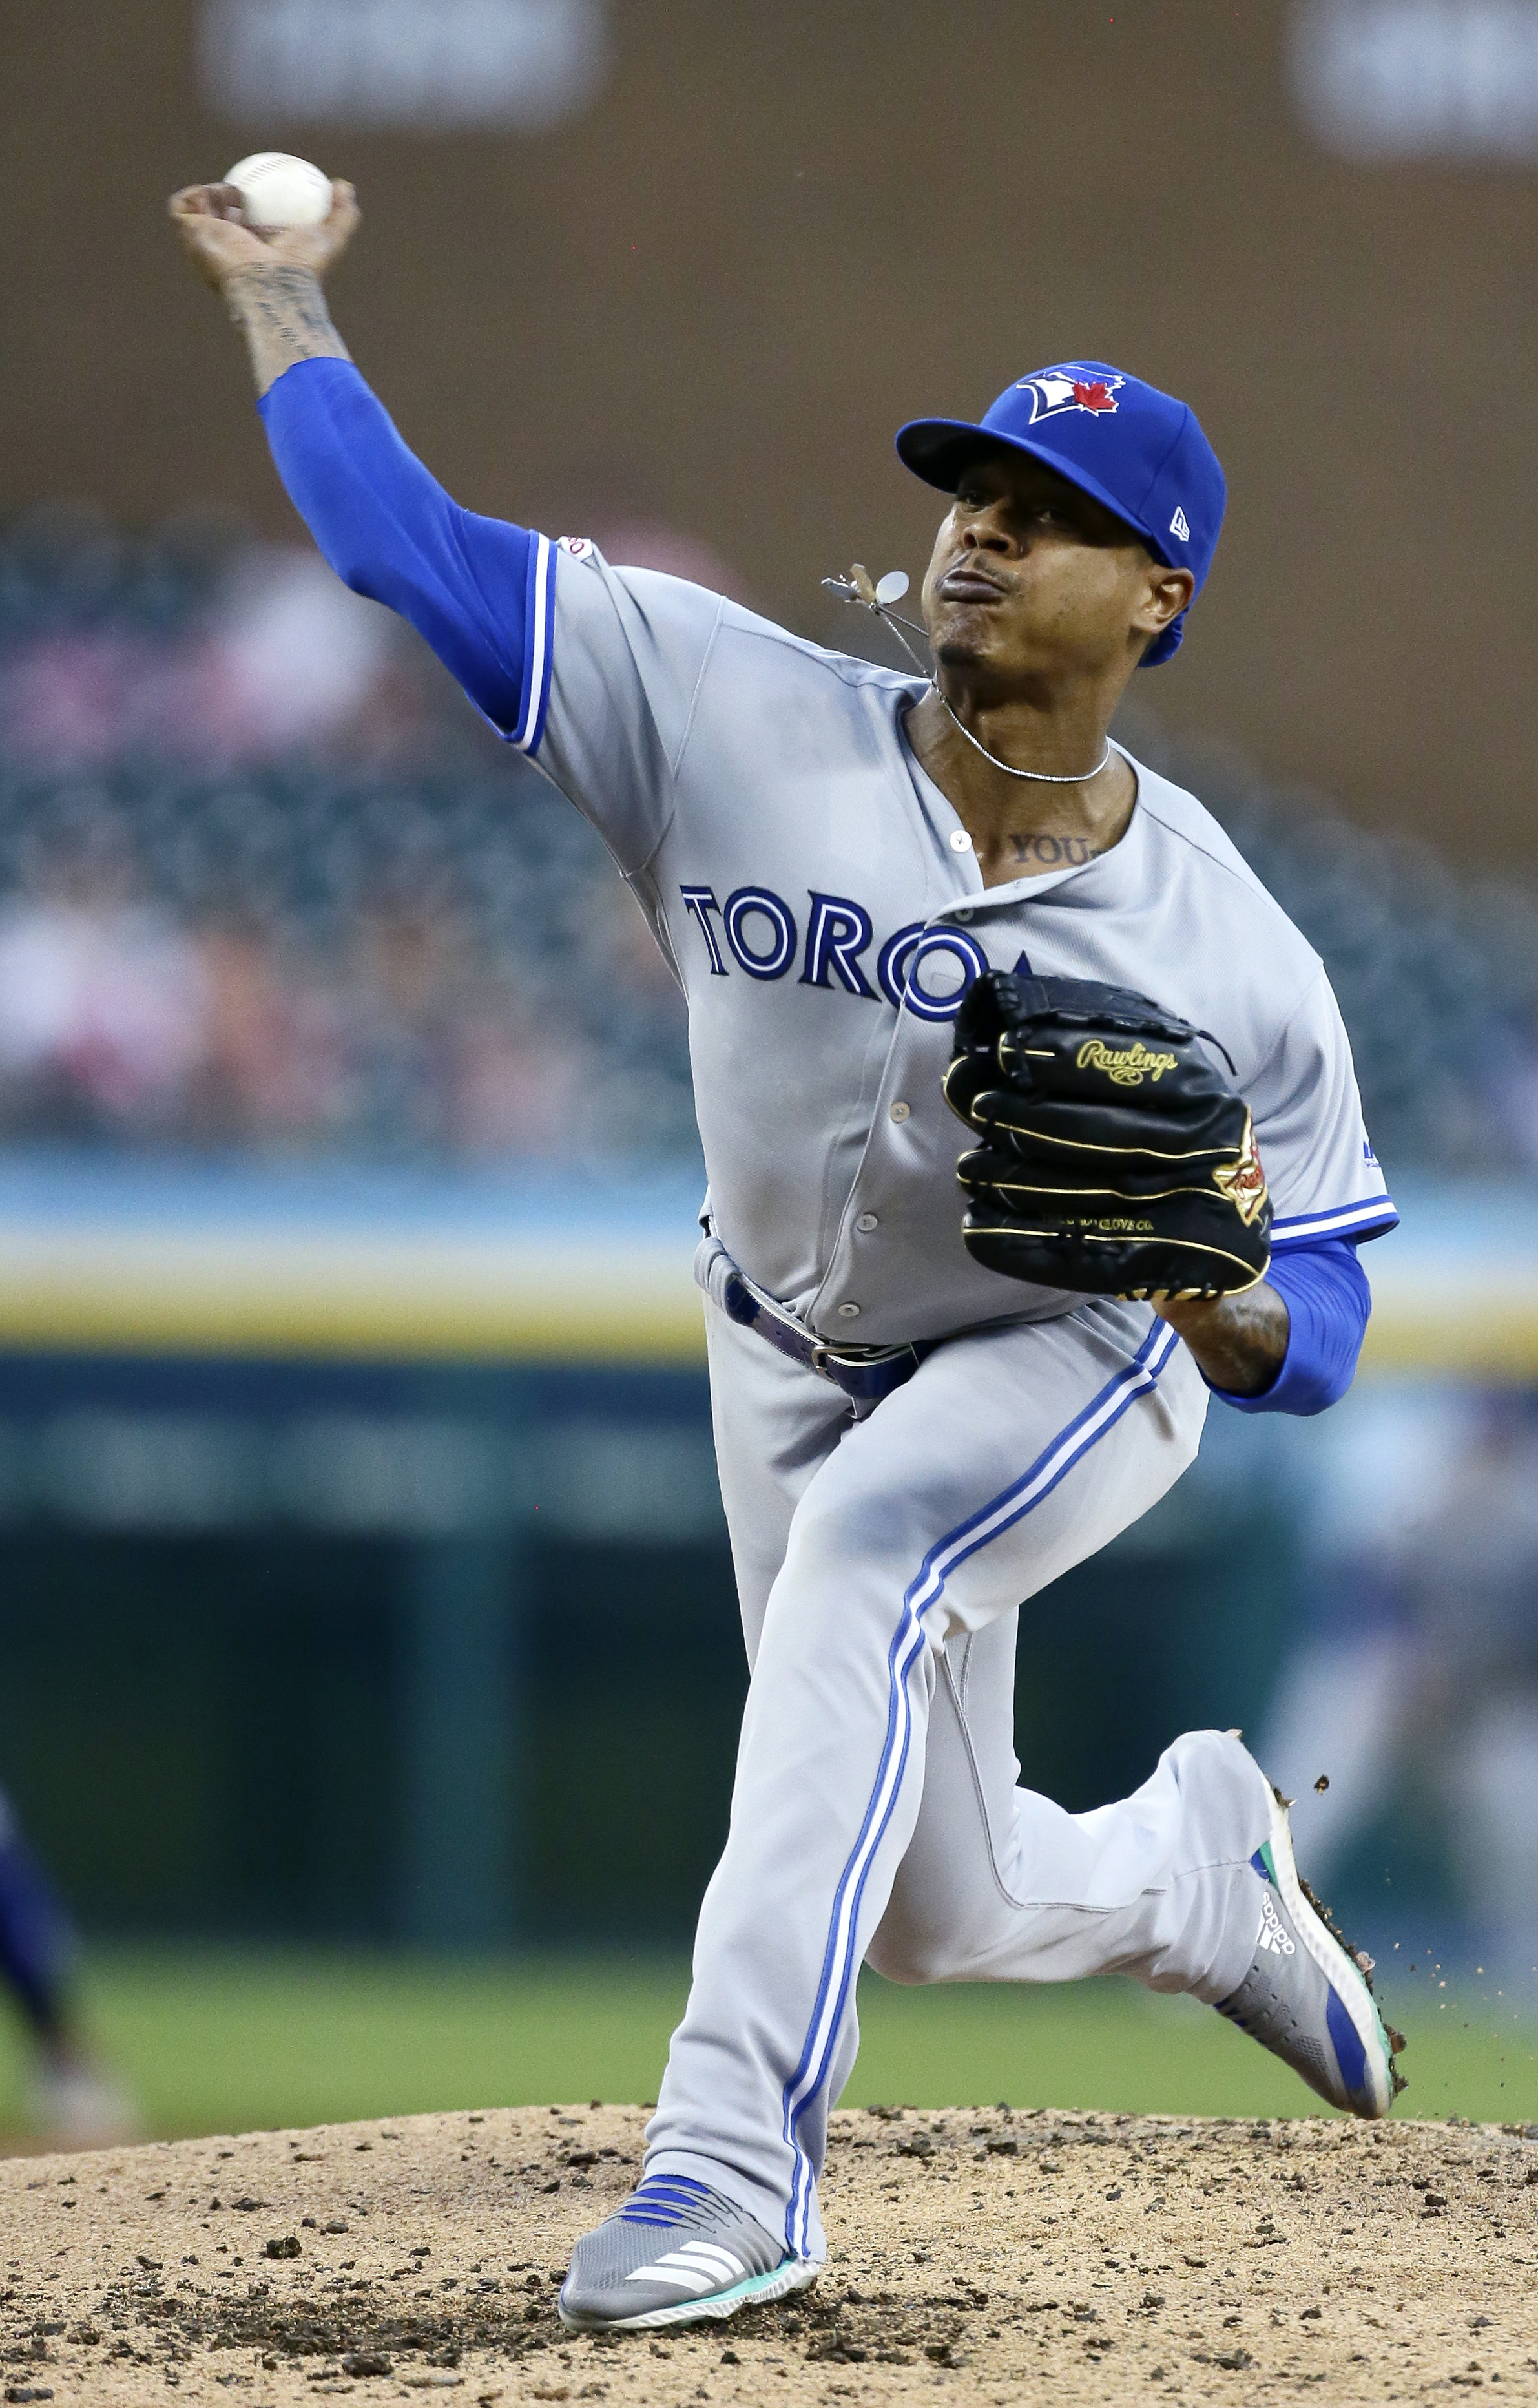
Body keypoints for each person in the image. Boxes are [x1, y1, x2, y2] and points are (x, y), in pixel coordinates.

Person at [170, 180, 1402, 2332]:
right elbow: (400, 554)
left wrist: (1218, 1299)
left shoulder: (1234, 947)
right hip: (777, 1338)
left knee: (866, 1556)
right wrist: (279, 288)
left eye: (1052, 509)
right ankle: (1191, 1874)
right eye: (972, 489)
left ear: (1158, 591)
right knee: (939, 1895)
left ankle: (731, 2170)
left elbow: (1331, 1333)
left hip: (1065, 1345)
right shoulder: (721, 705)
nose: (983, 531)